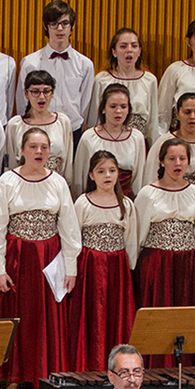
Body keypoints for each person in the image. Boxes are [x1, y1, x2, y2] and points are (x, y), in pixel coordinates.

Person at [0, 129, 80, 389]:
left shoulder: (58, 182)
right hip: (18, 257)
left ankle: (44, 376)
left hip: (48, 258)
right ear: (22, 150)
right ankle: (14, 379)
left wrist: (71, 267)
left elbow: (69, 226)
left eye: (44, 147)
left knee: (45, 318)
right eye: (33, 147)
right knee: (18, 315)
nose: (39, 152)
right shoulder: (8, 181)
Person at [66, 149, 138, 369]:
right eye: (101, 171)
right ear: (91, 175)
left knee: (116, 316)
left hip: (117, 268)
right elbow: (73, 238)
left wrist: (128, 270)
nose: (107, 175)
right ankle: (88, 365)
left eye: (112, 170)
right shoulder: (83, 203)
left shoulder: (126, 204)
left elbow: (131, 241)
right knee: (91, 316)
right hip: (89, 267)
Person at [132, 138, 195, 315]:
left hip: (187, 263)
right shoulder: (148, 194)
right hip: (157, 263)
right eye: (172, 159)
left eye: (182, 158)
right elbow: (138, 236)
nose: (178, 163)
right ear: (162, 161)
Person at [17, 1, 97, 134]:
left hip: (72, 130)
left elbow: (85, 104)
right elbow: (23, 101)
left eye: (65, 23)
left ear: (72, 26)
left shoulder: (85, 64)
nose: (60, 28)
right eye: (54, 24)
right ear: (45, 26)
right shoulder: (30, 63)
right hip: (37, 129)